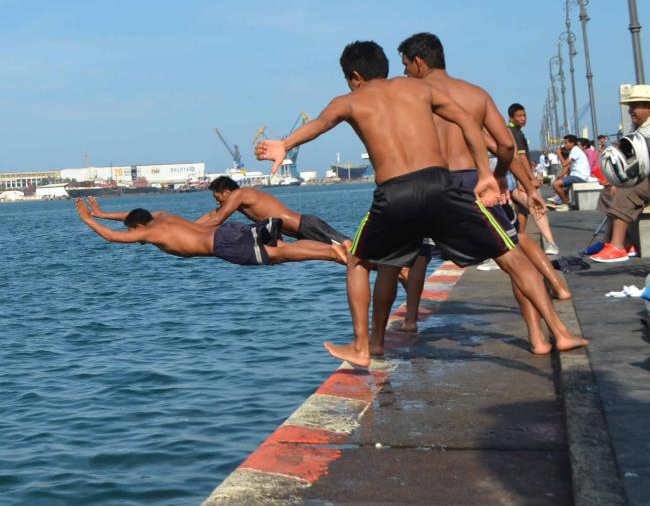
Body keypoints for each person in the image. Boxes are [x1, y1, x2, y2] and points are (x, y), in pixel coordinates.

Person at [255, 40, 587, 367]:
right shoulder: (418, 89)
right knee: (510, 254)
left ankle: (363, 346)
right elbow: (467, 122)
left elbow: (319, 124)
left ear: (354, 76)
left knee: (359, 260)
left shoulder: (350, 101)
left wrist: (285, 145)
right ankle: (560, 332)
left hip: (394, 193)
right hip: (441, 184)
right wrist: (485, 174)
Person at [369, 35, 569, 353]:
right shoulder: (474, 94)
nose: (404, 72)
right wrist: (507, 180)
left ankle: (380, 339)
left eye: (406, 65)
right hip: (472, 181)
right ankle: (539, 336)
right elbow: (503, 146)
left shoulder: (411, 96)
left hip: (428, 185)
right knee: (513, 255)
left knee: (394, 263)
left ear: (419, 61)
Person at [76, 198, 347, 264]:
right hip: (227, 231)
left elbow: (113, 236)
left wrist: (89, 219)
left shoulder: (149, 232)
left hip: (223, 245)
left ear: (137, 228)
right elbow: (133, 213)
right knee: (282, 249)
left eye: (134, 233)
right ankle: (335, 250)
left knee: (281, 254)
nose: (136, 239)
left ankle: (334, 255)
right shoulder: (161, 216)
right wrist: (103, 213)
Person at [193, 176, 351, 247]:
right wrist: (187, 226)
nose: (216, 201)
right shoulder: (238, 200)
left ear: (227, 192)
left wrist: (190, 234)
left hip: (306, 225)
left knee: (350, 248)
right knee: (344, 253)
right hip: (301, 232)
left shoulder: (239, 195)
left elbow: (217, 220)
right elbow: (212, 215)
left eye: (217, 197)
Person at [594, 85, 650, 263]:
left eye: (635, 106)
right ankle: (622, 242)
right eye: (630, 106)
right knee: (607, 192)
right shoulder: (639, 130)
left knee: (627, 192)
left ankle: (617, 246)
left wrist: (624, 183)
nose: (630, 110)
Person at [508, 103, 561, 255]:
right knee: (535, 205)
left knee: (523, 211)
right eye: (519, 116)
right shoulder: (514, 132)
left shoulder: (515, 131)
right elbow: (521, 156)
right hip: (515, 178)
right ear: (511, 117)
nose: (523, 119)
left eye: (524, 115)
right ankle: (550, 242)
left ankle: (519, 243)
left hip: (514, 178)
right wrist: (529, 179)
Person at [551, 135, 589, 210]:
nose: (564, 145)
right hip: (576, 176)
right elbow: (566, 167)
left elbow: (565, 164)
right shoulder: (574, 150)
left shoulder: (575, 150)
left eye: (566, 143)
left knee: (555, 184)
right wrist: (560, 176)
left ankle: (566, 204)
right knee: (563, 189)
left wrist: (559, 153)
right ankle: (567, 202)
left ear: (572, 143)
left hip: (579, 176)